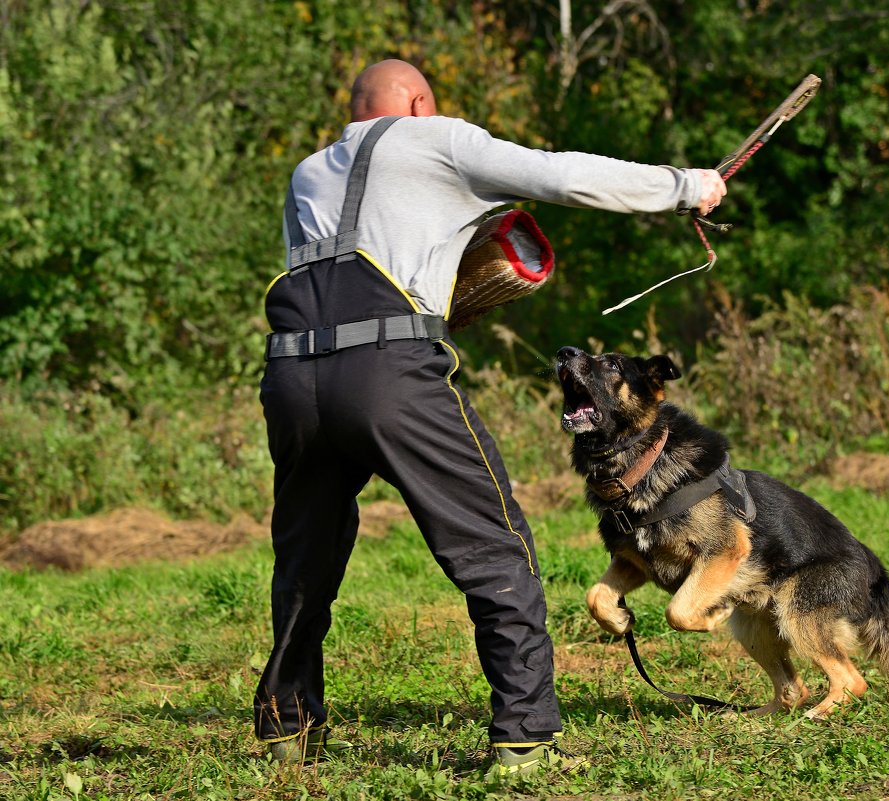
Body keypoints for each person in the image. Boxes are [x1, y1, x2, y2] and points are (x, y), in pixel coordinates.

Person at [254, 59, 726, 773]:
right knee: (494, 548)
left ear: (355, 110)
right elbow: (560, 174)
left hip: (291, 375)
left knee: (304, 560)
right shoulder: (438, 139)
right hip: (387, 376)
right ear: (417, 104)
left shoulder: (307, 172)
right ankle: (524, 735)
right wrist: (686, 187)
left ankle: (287, 730)